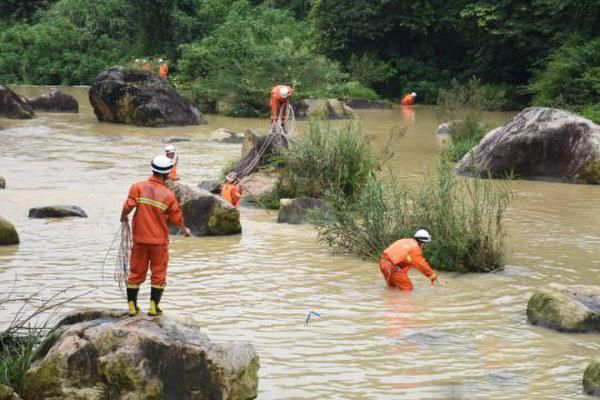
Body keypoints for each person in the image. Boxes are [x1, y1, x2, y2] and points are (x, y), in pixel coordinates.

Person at [121, 155, 191, 317]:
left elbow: (128, 206)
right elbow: (176, 218)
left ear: (153, 169)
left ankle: (132, 307)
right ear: (167, 174)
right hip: (159, 242)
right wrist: (185, 230)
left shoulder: (137, 187)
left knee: (136, 272)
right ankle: (154, 307)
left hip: (139, 239)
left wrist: (123, 217)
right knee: (159, 273)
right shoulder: (168, 195)